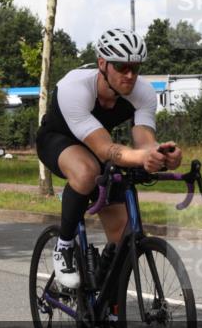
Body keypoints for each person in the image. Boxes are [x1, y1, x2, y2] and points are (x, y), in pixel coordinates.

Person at [36, 28, 182, 289]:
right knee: (86, 171)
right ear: (102, 64)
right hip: (57, 140)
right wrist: (140, 156)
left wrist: (160, 155)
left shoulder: (143, 92)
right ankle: (64, 245)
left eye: (135, 68)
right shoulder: (75, 88)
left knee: (124, 238)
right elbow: (105, 149)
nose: (130, 75)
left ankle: (108, 310)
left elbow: (144, 139)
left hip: (98, 146)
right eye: (122, 66)